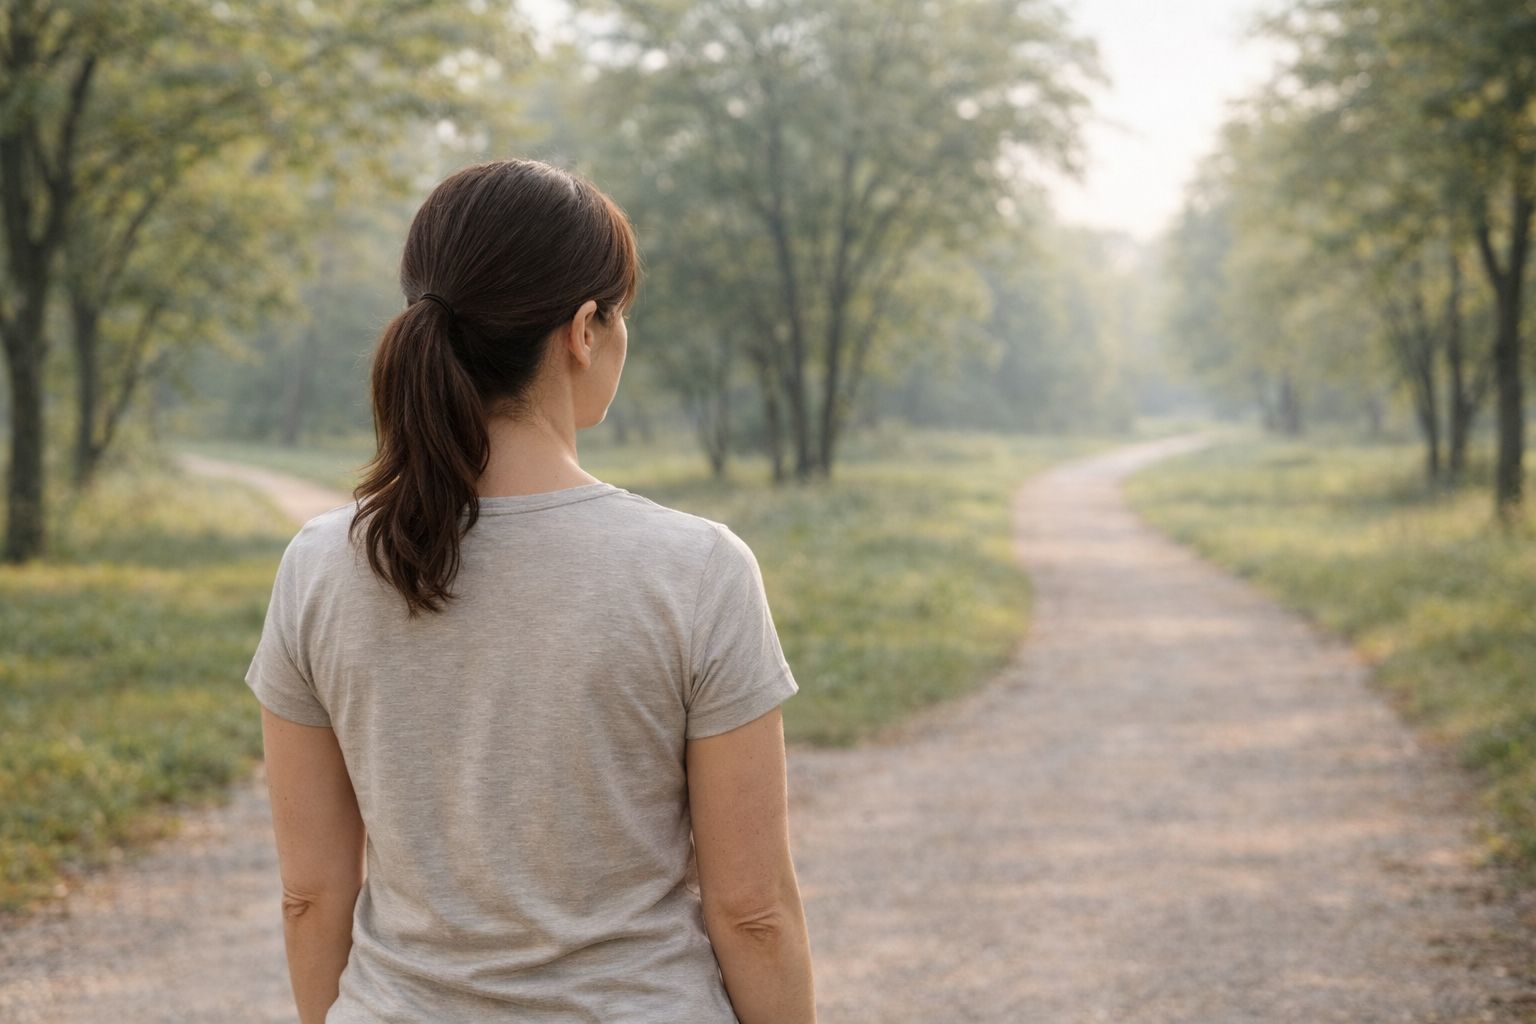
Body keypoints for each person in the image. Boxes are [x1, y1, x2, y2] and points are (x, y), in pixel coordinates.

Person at [244, 157, 816, 1023]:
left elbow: (310, 897)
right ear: (584, 330)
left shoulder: (321, 564)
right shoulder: (696, 570)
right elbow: (754, 910)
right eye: (622, 317)